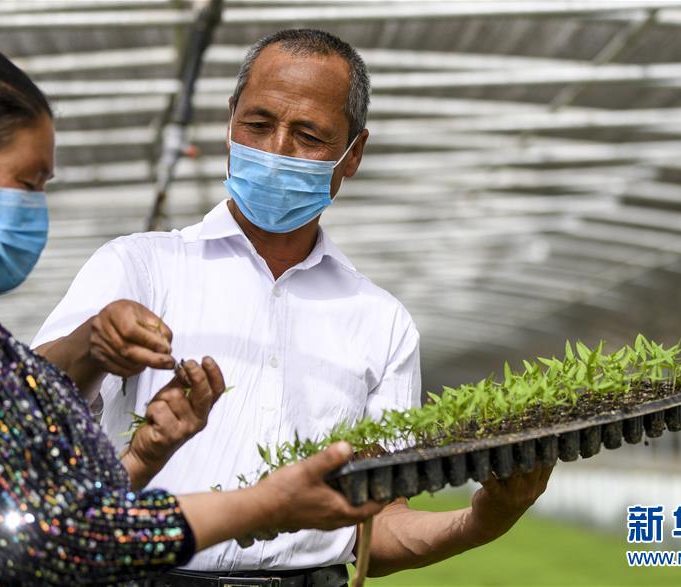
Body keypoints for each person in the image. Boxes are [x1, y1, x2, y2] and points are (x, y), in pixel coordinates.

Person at [33, 28, 551, 586]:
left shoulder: (381, 322)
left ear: (353, 156)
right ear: (229, 120)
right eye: (257, 124)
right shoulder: (137, 268)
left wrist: (484, 520)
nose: (276, 150)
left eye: (309, 135)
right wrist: (92, 340)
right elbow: (30, 418)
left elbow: (376, 527)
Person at [0, 40, 383, 586]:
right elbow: (52, 539)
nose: (33, 214)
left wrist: (143, 458)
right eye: (25, 186)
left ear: (352, 151)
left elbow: (40, 516)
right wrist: (262, 505)